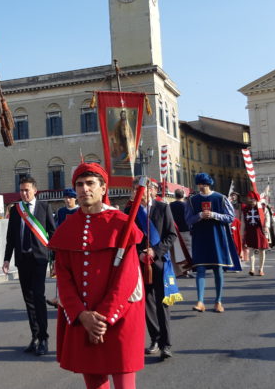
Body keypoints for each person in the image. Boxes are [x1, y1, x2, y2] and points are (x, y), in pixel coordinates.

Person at [48, 162, 145, 389]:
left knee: (124, 383)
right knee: (94, 383)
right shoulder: (67, 227)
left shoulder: (121, 224)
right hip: (82, 317)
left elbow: (127, 278)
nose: (84, 189)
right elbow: (63, 277)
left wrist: (103, 318)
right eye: (80, 185)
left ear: (103, 188)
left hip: (119, 315)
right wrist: (82, 315)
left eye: (90, 183)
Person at [2, 177, 56, 356]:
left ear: (35, 190)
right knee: (29, 300)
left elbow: (53, 233)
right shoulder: (17, 210)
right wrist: (6, 259)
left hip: (39, 260)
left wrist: (55, 258)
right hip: (22, 260)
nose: (24, 194)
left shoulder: (44, 207)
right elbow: (11, 237)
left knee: (39, 298)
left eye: (27, 190)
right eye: (21, 190)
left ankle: (44, 338)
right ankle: (35, 337)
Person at [126, 178, 178, 360]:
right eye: (135, 189)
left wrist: (155, 251)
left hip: (160, 262)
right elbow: (128, 237)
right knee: (146, 302)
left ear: (154, 191)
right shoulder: (130, 211)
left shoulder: (163, 208)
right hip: (139, 263)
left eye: (142, 189)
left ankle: (166, 343)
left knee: (163, 304)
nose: (138, 192)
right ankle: (155, 338)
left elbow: (171, 235)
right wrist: (140, 252)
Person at [185, 173, 240, 313]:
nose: (201, 186)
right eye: (199, 184)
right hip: (200, 237)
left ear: (208, 184)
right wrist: (199, 216)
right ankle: (200, 301)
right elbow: (188, 220)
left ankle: (218, 301)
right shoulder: (192, 200)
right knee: (200, 269)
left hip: (217, 236)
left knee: (218, 269)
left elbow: (230, 217)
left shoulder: (220, 198)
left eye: (203, 184)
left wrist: (214, 215)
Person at [241, 192, 269, 276]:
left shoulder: (263, 208)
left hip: (261, 231)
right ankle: (252, 268)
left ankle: (261, 269)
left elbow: (267, 218)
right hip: (250, 231)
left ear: (256, 199)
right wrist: (242, 233)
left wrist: (266, 227)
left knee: (262, 250)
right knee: (251, 250)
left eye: (253, 199)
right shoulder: (245, 209)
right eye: (250, 199)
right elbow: (243, 222)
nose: (252, 200)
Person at [169, 189, 192, 277]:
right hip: (186, 230)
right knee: (188, 250)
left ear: (175, 195)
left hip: (175, 230)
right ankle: (188, 270)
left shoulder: (170, 205)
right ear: (183, 195)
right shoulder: (187, 205)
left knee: (178, 251)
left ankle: (179, 270)